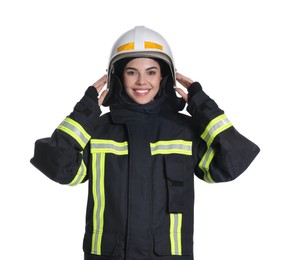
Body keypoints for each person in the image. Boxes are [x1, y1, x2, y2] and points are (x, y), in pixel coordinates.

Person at [30, 26, 260, 260]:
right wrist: (83, 115)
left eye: (151, 72)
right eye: (131, 72)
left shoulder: (185, 131)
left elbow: (233, 162)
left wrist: (204, 109)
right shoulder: (98, 130)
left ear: (164, 77)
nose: (142, 81)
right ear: (117, 76)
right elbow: (59, 168)